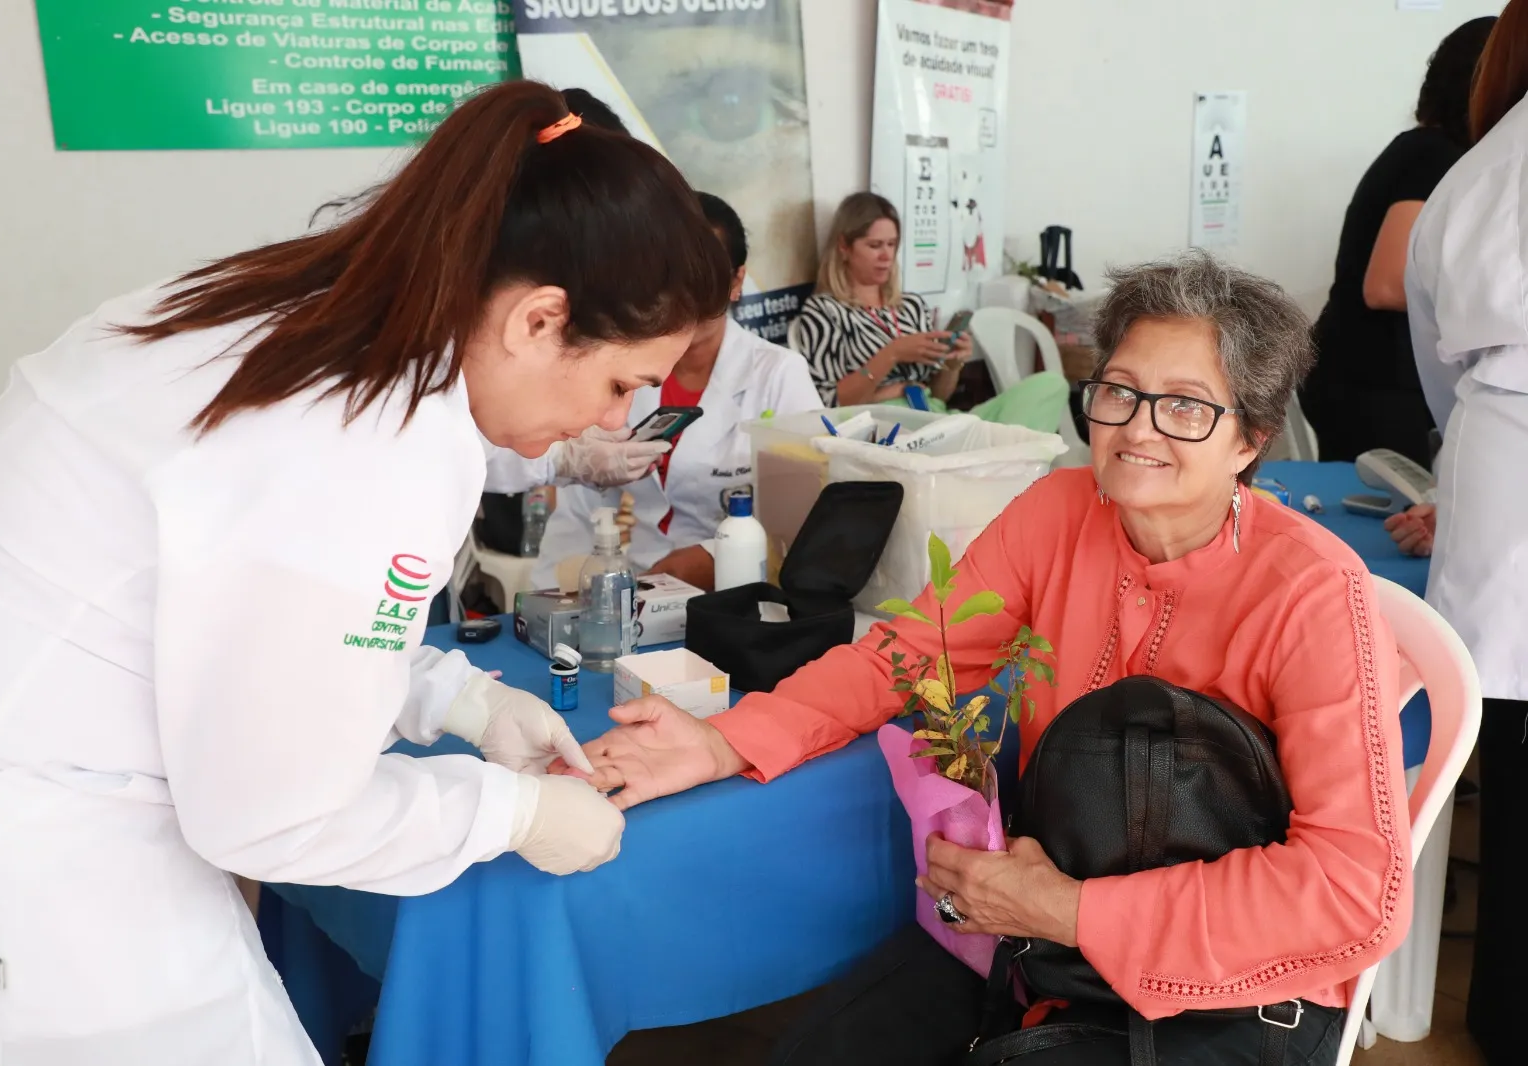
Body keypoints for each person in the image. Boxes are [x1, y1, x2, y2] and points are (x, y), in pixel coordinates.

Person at [0, 81, 731, 1066]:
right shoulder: (378, 439)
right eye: (619, 385)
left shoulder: (292, 317)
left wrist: (459, 697)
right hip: (36, 862)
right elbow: (272, 819)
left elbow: (258, 619)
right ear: (537, 320)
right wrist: (511, 814)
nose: (615, 421)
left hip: (6, 772)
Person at [567, 253, 1412, 1065]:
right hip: (1033, 930)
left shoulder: (1311, 592)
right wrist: (728, 741)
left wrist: (1073, 910)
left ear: (1250, 440)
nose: (1137, 428)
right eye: (1119, 391)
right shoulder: (1057, 511)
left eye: (1186, 407)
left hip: (1221, 982)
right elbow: (907, 657)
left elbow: (1354, 892)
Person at [1405, 5, 1528, 1060]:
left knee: (1513, 768)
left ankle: (1502, 1008)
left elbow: (1434, 353)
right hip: (1494, 457)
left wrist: (1470, 453)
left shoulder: (1481, 167)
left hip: (1499, 460)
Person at [528, 192, 822, 591]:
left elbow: (806, 513)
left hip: (741, 593)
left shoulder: (778, 374)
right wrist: (548, 601)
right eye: (672, 275)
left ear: (736, 281)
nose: (687, 296)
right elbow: (582, 509)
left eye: (707, 278)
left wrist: (714, 557)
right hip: (641, 586)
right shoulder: (619, 367)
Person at [1300, 16, 1497, 464]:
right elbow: (1387, 285)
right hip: (1371, 383)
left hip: (1369, 377)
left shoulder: (1433, 152)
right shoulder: (1433, 156)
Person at [794, 192, 972, 407]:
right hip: (876, 428)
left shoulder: (911, 307)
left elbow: (937, 397)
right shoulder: (825, 311)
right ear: (844, 246)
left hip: (928, 416)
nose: (886, 256)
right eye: (875, 245)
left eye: (892, 244)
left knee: (1024, 395)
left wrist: (952, 365)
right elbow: (827, 402)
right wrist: (892, 354)